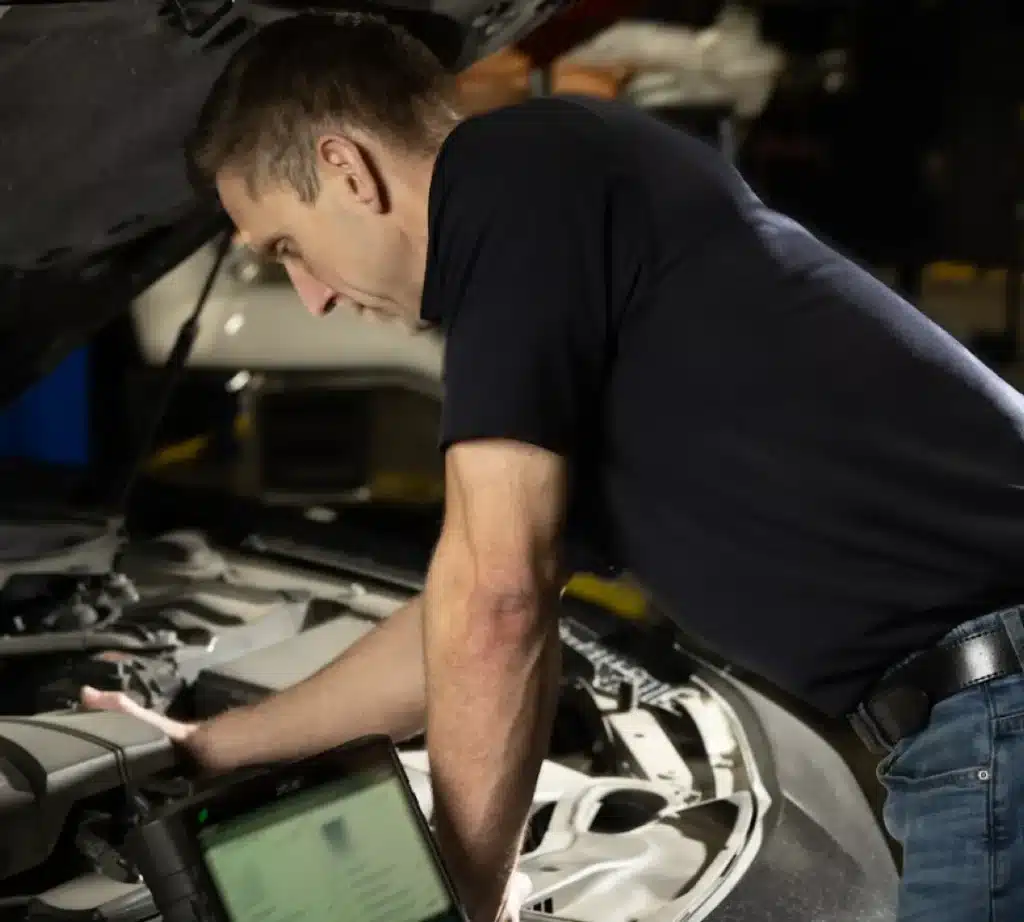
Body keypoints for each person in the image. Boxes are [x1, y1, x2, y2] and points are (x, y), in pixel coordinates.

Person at [84, 11, 1024, 922]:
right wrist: (218, 742)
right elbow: (457, 617)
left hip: (995, 705)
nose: (314, 296)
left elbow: (498, 602)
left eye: (288, 247)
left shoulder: (515, 184)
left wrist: (471, 899)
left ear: (345, 166)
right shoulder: (558, 210)